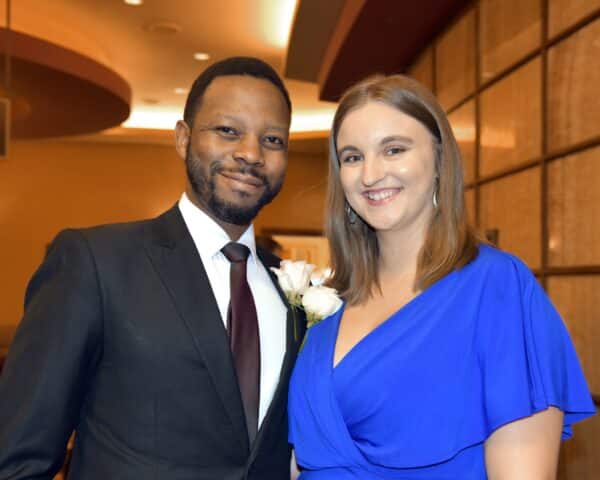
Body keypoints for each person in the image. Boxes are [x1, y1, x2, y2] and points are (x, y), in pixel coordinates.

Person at [0, 57, 305, 480]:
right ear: (183, 139)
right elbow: (17, 458)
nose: (250, 154)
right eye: (227, 131)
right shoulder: (95, 263)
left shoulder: (295, 293)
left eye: (272, 139)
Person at [288, 74, 596, 479]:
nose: (370, 174)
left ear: (438, 159)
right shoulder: (331, 302)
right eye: (352, 157)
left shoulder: (498, 289)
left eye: (393, 149)